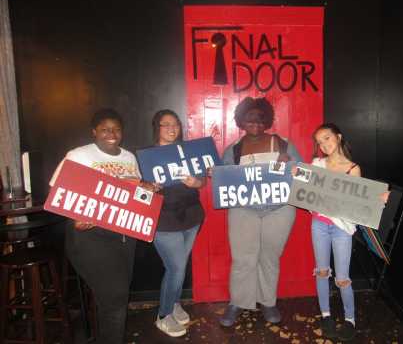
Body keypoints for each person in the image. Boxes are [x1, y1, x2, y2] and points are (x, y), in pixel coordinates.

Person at [49, 109, 146, 344]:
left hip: (124, 236)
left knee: (115, 297)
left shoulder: (129, 158)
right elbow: (56, 193)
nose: (111, 133)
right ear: (94, 132)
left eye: (116, 129)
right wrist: (75, 217)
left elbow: (135, 194)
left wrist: (147, 189)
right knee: (115, 297)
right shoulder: (78, 155)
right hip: (90, 236)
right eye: (105, 129)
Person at [219, 97, 302, 327]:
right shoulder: (234, 150)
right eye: (249, 119)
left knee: (270, 256)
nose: (254, 123)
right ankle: (238, 301)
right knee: (242, 258)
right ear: (240, 121)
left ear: (267, 120)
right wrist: (214, 174)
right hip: (243, 210)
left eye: (259, 119)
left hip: (280, 209)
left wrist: (291, 166)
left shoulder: (283, 144)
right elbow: (224, 181)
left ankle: (267, 301)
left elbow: (304, 175)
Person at [308, 123, 388, 341]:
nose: (323, 144)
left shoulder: (353, 169)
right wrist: (300, 178)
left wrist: (376, 200)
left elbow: (358, 203)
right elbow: (308, 196)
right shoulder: (317, 164)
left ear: (339, 137)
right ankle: (326, 315)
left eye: (327, 138)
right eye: (319, 141)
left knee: (342, 277)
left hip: (342, 228)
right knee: (322, 271)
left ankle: (350, 319)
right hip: (319, 224)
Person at [150, 109, 205, 337]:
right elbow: (136, 189)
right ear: (157, 128)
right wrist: (149, 187)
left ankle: (173, 303)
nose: (172, 128)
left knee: (178, 267)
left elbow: (202, 181)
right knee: (176, 267)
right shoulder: (147, 156)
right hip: (163, 220)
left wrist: (196, 182)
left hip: (191, 217)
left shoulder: (188, 152)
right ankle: (163, 316)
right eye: (166, 124)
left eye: (176, 124)